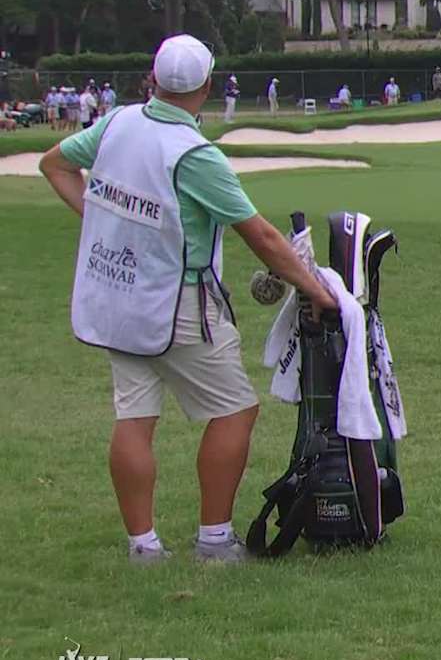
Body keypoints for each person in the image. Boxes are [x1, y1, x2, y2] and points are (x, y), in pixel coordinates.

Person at [36, 33, 338, 565]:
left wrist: (104, 223)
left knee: (134, 417)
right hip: (176, 304)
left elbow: (54, 164)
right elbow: (261, 236)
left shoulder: (118, 122)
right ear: (207, 86)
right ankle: (214, 541)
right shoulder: (195, 155)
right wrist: (317, 290)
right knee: (235, 409)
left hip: (117, 297)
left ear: (153, 79)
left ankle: (143, 546)